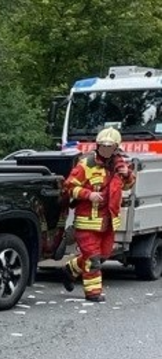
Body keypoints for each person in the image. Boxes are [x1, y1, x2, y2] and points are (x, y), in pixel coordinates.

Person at [59, 127, 130, 302]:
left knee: (104, 255)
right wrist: (88, 195)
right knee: (93, 259)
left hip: (109, 222)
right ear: (98, 146)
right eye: (103, 146)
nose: (106, 149)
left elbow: (127, 186)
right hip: (87, 222)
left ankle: (71, 269)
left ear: (116, 148)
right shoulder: (86, 165)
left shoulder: (119, 165)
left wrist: (127, 176)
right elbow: (68, 186)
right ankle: (93, 293)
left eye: (110, 147)